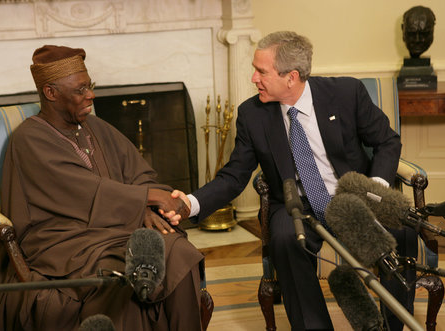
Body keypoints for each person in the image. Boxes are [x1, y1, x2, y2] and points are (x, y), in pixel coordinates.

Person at [174, 31, 417, 330]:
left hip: (352, 196)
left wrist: (375, 190)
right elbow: (234, 175)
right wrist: (190, 203)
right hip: (294, 204)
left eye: (261, 71)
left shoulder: (346, 94)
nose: (253, 78)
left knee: (401, 231)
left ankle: (391, 327)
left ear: (291, 77)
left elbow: (387, 142)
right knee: (287, 240)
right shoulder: (253, 114)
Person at [0, 45, 205, 330]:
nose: (91, 95)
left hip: (113, 229)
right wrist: (148, 199)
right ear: (51, 93)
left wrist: (146, 207)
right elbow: (81, 191)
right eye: (80, 90)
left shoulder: (96, 127)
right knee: (146, 266)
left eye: (91, 86)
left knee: (176, 249)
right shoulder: (29, 138)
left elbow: (138, 172)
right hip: (64, 241)